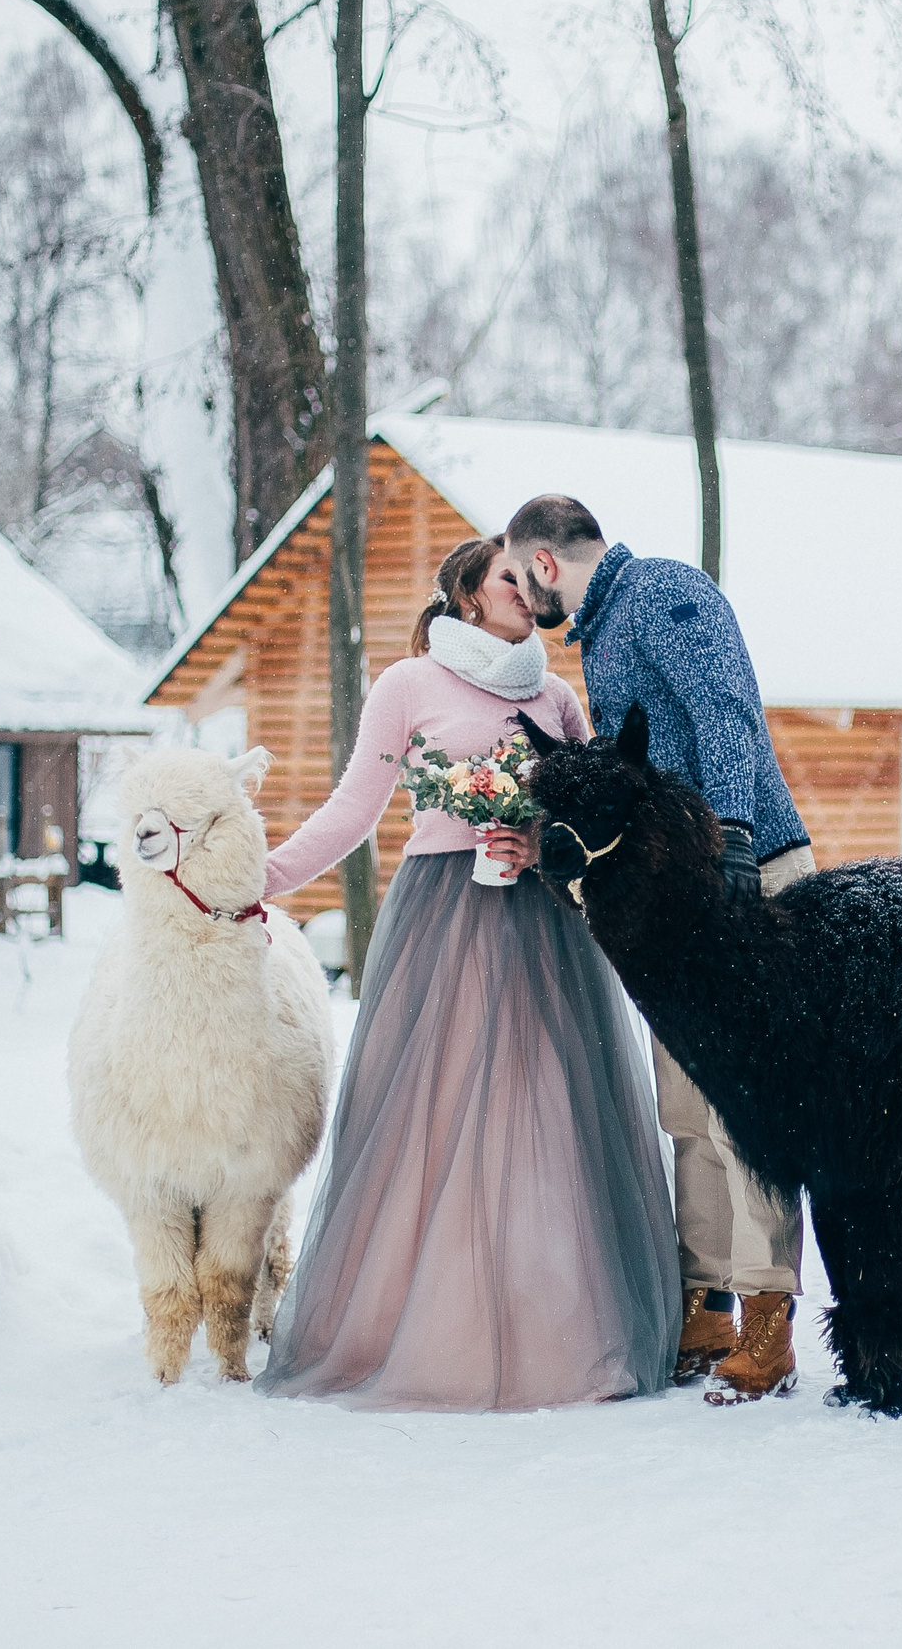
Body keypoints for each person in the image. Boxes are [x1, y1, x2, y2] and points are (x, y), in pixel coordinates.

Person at [251, 537, 677, 1411]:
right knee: (441, 1119)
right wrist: (260, 876)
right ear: (468, 594)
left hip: (543, 926)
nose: (526, 587)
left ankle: (559, 1333)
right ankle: (434, 1330)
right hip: (444, 921)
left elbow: (603, 805)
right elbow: (355, 806)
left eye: (531, 576)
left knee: (550, 1118)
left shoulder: (556, 696)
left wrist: (543, 843)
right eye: (508, 576)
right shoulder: (408, 684)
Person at [488, 494, 814, 1404]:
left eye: (517, 575)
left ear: (545, 564)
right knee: (687, 1107)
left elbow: (724, 712)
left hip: (746, 875)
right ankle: (706, 1304)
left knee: (745, 1108)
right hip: (673, 902)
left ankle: (768, 1318)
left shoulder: (668, 591)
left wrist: (736, 835)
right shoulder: (599, 634)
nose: (520, 597)